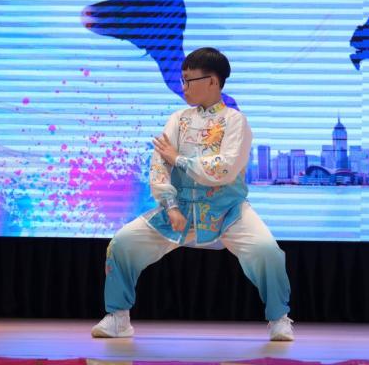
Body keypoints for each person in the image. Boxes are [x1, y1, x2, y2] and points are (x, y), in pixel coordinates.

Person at [91, 47, 293, 341]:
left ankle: (279, 318)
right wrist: (170, 205)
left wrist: (180, 159)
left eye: (189, 80)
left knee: (267, 252)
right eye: (182, 80)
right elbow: (160, 164)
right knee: (122, 244)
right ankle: (118, 318)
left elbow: (224, 168)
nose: (183, 87)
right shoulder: (178, 119)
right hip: (180, 210)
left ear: (212, 81)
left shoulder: (235, 121)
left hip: (227, 210)